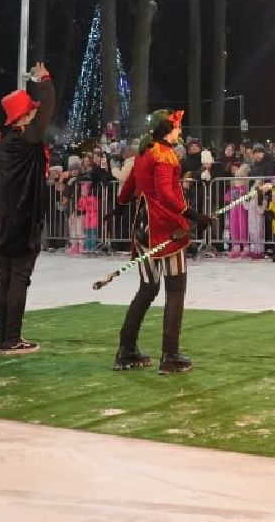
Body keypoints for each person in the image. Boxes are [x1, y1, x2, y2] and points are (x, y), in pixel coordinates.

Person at [114, 109, 202, 375]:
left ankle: (126, 350)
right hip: (164, 230)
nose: (179, 133)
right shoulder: (164, 154)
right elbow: (165, 193)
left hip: (142, 227)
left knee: (147, 289)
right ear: (167, 130)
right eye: (177, 128)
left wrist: (120, 205)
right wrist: (191, 214)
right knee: (175, 289)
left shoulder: (144, 151)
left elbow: (129, 185)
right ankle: (170, 354)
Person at [0, 62, 56, 356]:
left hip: (3, 219)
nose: (34, 113)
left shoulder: (6, 144)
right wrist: (45, 81)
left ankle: (3, 335)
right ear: (23, 117)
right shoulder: (27, 139)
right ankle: (12, 338)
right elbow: (47, 110)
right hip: (22, 218)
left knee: (2, 277)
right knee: (18, 278)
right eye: (30, 110)